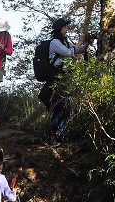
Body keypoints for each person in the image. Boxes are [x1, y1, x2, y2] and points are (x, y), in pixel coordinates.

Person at [41, 17, 89, 147]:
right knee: (59, 107)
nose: (67, 29)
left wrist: (86, 44)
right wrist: (79, 42)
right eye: (65, 27)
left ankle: (59, 134)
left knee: (66, 108)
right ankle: (51, 136)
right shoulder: (55, 42)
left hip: (64, 77)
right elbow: (69, 53)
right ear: (60, 29)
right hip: (56, 78)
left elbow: (76, 50)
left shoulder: (65, 41)